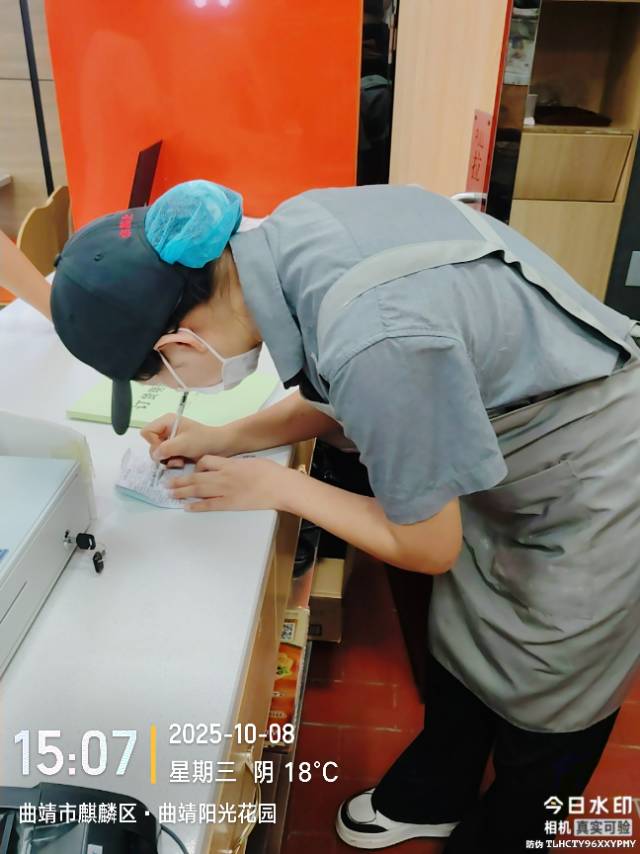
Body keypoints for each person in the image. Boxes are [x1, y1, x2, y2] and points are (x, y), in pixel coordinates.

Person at [3, 179, 639, 852]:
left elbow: (428, 544)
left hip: (592, 479)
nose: (175, 391)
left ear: (177, 346)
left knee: (550, 691)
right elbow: (354, 391)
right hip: (501, 444)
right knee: (467, 638)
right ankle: (439, 790)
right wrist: (229, 436)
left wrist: (279, 487)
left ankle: (514, 829)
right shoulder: (288, 238)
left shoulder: (373, 334)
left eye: (159, 381)